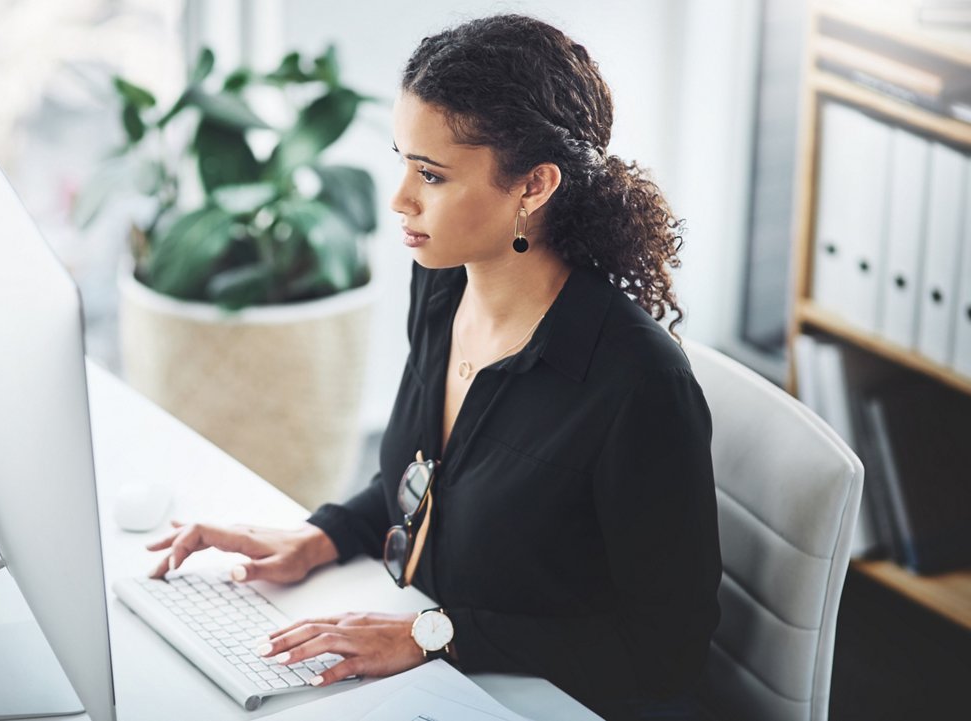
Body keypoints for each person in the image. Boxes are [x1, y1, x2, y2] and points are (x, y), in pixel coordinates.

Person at [145, 14, 721, 720]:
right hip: (447, 679)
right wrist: (322, 536)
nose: (399, 199)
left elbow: (667, 651)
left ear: (534, 186)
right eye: (404, 161)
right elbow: (427, 473)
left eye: (431, 174)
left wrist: (433, 634)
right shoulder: (445, 282)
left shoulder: (637, 385)